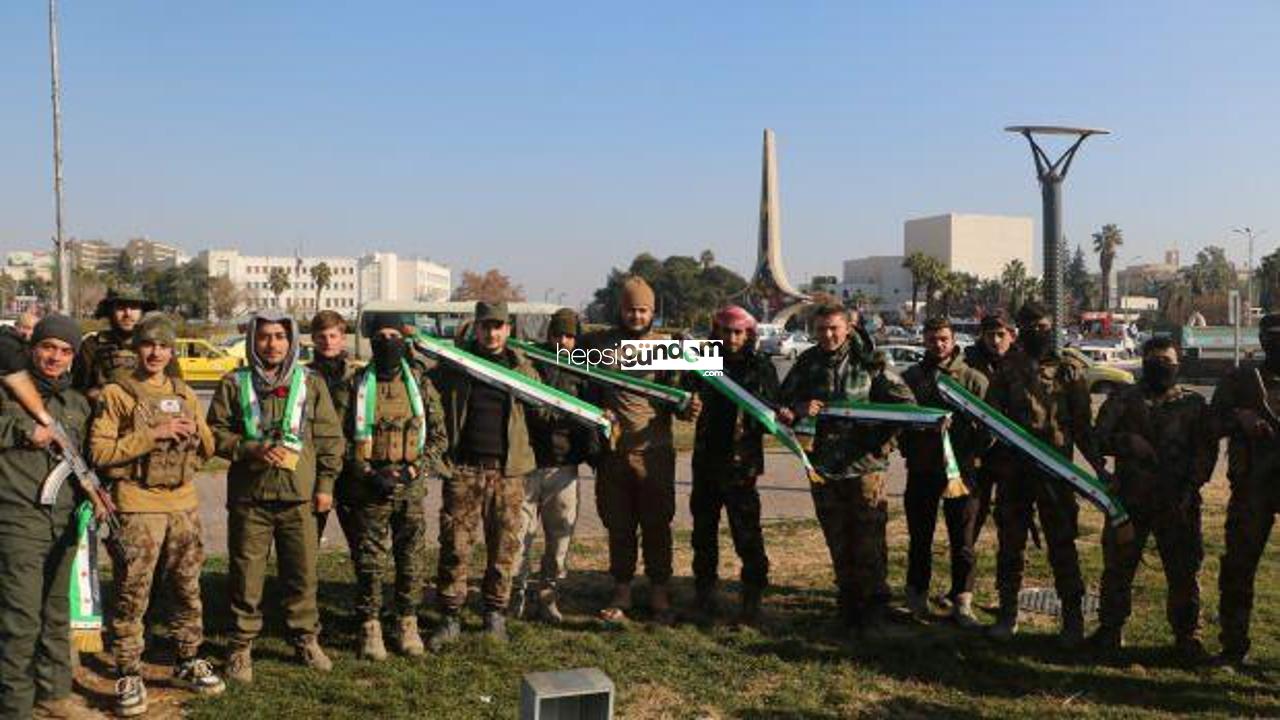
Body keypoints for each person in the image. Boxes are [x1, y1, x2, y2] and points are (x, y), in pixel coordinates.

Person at [88, 313, 224, 715]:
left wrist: (197, 435)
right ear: (137, 347)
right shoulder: (118, 394)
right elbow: (99, 453)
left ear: (172, 350)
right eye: (149, 344)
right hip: (137, 504)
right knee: (133, 590)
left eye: (164, 345)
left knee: (187, 586)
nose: (156, 352)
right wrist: (154, 433)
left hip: (182, 503)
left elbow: (209, 446)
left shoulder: (183, 391)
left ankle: (186, 659)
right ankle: (128, 669)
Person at [206, 310, 343, 682]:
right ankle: (240, 645)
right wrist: (248, 448)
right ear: (253, 340)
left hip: (299, 498)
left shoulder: (310, 383)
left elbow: (330, 439)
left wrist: (326, 485)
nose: (272, 344)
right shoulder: (234, 383)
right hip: (250, 499)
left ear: (292, 340)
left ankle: (305, 638)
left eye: (280, 337)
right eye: (264, 336)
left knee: (302, 573)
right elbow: (213, 433)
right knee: (246, 574)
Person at [778, 303, 915, 639]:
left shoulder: (871, 363)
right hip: (824, 468)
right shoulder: (807, 362)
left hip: (864, 469)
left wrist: (883, 444)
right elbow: (780, 404)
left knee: (869, 543)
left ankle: (875, 612)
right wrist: (796, 409)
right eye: (821, 329)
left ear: (848, 329)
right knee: (838, 541)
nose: (827, 335)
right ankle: (847, 608)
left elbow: (906, 406)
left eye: (834, 329)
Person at [984, 302, 1108, 647]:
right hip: (1014, 474)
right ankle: (1008, 614)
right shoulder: (1007, 368)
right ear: (1018, 330)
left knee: (1062, 545)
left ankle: (1073, 619)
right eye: (1028, 327)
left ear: (1052, 327)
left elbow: (1083, 428)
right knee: (1010, 545)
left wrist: (1098, 468)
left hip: (1055, 474)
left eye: (1042, 326)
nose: (1036, 332)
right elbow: (991, 418)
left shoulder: (1070, 370)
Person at [581, 277, 700, 624]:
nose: (636, 316)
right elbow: (556, 351)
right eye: (630, 309)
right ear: (621, 310)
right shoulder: (598, 344)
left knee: (656, 524)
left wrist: (690, 407)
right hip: (613, 454)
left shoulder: (669, 347)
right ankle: (622, 589)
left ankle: (660, 589)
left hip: (655, 453)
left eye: (643, 310)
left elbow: (713, 375)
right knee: (618, 525)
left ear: (653, 312)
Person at [1089, 336, 1216, 662]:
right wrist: (1125, 441)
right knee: (1117, 568)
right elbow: (1097, 439)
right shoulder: (1123, 399)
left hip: (1178, 501)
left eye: (1166, 361)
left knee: (1184, 571)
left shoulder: (1192, 404)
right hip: (1129, 501)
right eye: (1153, 361)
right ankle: (1110, 630)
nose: (1160, 367)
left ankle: (1187, 637)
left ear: (1177, 365)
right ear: (1144, 363)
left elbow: (1207, 451)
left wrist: (1192, 486)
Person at [429, 301, 543, 649]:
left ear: (508, 330)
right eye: (485, 326)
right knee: (455, 546)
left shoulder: (521, 368)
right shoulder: (457, 366)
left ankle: (494, 612)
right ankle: (450, 615)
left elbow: (544, 403)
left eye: (498, 326)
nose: (491, 333)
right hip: (463, 470)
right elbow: (425, 382)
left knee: (504, 547)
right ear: (475, 328)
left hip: (507, 473)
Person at [334, 316, 446, 660]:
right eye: (380, 336)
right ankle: (370, 625)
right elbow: (339, 439)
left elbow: (439, 438)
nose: (387, 341)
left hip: (410, 487)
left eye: (394, 335)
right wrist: (367, 473)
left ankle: (407, 622)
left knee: (410, 558)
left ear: (404, 339)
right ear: (371, 341)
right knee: (370, 562)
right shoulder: (355, 385)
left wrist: (415, 470)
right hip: (369, 487)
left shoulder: (420, 385)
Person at [0, 315, 90, 718]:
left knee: (56, 612)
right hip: (17, 519)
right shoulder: (7, 392)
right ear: (32, 348)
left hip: (65, 521)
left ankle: (54, 694)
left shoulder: (77, 403)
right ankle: (15, 706)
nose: (55, 357)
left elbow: (88, 459)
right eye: (48, 347)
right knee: (20, 619)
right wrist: (24, 433)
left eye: (65, 350)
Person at [685, 305, 777, 625]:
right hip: (706, 463)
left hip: (742, 468)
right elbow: (687, 393)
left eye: (738, 332)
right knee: (703, 534)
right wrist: (689, 403)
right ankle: (704, 594)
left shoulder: (760, 367)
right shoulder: (705, 362)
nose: (732, 338)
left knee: (747, 536)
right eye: (725, 331)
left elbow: (771, 414)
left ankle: (751, 599)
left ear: (749, 334)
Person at [899, 317, 989, 627]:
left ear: (953, 341)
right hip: (922, 469)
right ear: (923, 339)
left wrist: (970, 446)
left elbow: (989, 428)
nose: (938, 344)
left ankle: (962, 602)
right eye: (932, 338)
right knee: (919, 538)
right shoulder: (911, 377)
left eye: (943, 339)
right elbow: (899, 420)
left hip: (961, 473)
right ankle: (916, 598)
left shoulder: (973, 379)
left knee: (962, 541)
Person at [511, 308, 597, 624]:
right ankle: (516, 593)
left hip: (564, 467)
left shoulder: (588, 369)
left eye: (570, 335)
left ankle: (548, 595)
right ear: (548, 335)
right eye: (557, 334)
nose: (563, 341)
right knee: (520, 535)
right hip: (528, 464)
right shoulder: (530, 363)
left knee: (560, 537)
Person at [1211, 312, 1280, 668]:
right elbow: (1210, 425)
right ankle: (1233, 647)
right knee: (1238, 568)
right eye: (1272, 336)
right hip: (1252, 488)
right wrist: (1239, 417)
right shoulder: (1242, 380)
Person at [960, 311, 1015, 584]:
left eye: (1001, 334)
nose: (995, 340)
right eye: (989, 335)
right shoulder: (966, 363)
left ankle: (1007, 593)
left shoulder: (1023, 365)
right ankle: (962, 590)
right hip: (977, 456)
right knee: (968, 525)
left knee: (1011, 528)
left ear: (1011, 335)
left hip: (1012, 458)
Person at [307, 310, 361, 547]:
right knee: (307, 539)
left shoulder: (358, 377)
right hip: (314, 467)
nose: (327, 342)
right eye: (321, 337)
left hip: (351, 467)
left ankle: (366, 585)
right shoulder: (302, 377)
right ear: (313, 339)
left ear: (343, 337)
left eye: (333, 336)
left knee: (361, 541)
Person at [73, 289, 161, 400]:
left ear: (142, 312)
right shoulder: (92, 345)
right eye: (121, 307)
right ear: (110, 311)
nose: (127, 313)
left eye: (133, 307)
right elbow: (77, 392)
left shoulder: (159, 347)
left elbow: (174, 387)